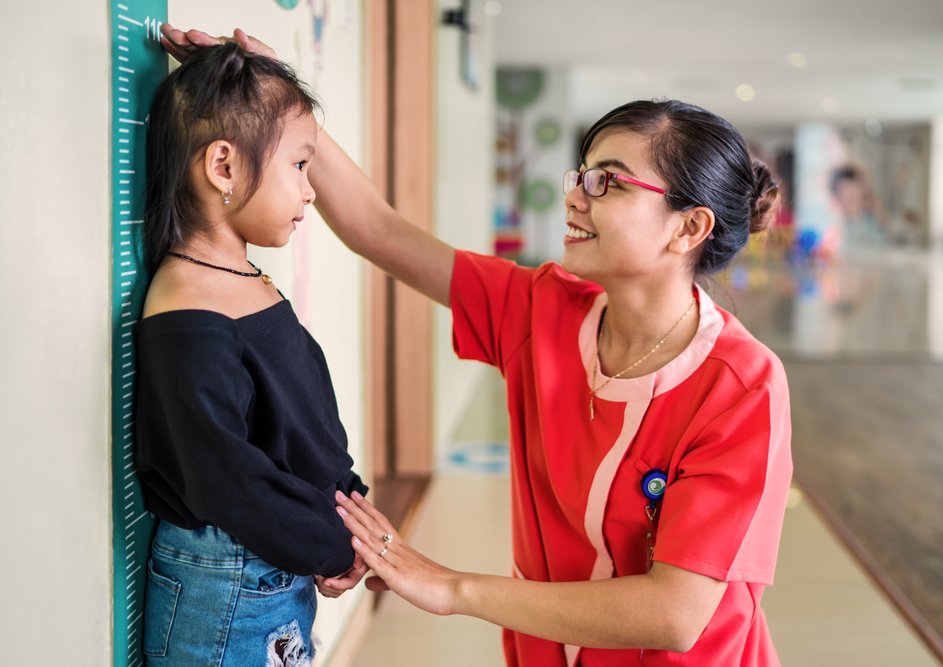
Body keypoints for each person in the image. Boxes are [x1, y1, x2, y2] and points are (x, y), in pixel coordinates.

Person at [159, 25, 792, 667]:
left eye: (610, 182)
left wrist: (450, 587)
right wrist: (268, 101)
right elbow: (379, 230)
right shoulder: (543, 308)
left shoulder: (742, 387)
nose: (575, 195)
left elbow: (676, 614)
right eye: (583, 173)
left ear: (689, 227)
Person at [135, 42, 369, 666]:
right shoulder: (188, 307)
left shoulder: (240, 279)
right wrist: (329, 544)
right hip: (227, 583)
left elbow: (298, 420)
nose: (311, 191)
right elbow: (225, 477)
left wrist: (348, 509)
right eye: (299, 165)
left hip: (272, 567)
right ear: (223, 167)